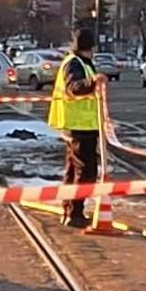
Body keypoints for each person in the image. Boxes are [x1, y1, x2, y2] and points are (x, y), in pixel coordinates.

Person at [48, 25, 104, 229]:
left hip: (80, 125)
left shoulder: (80, 62)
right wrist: (93, 82)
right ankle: (75, 212)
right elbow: (74, 88)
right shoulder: (75, 64)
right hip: (79, 126)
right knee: (86, 172)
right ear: (91, 46)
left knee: (73, 170)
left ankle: (71, 210)